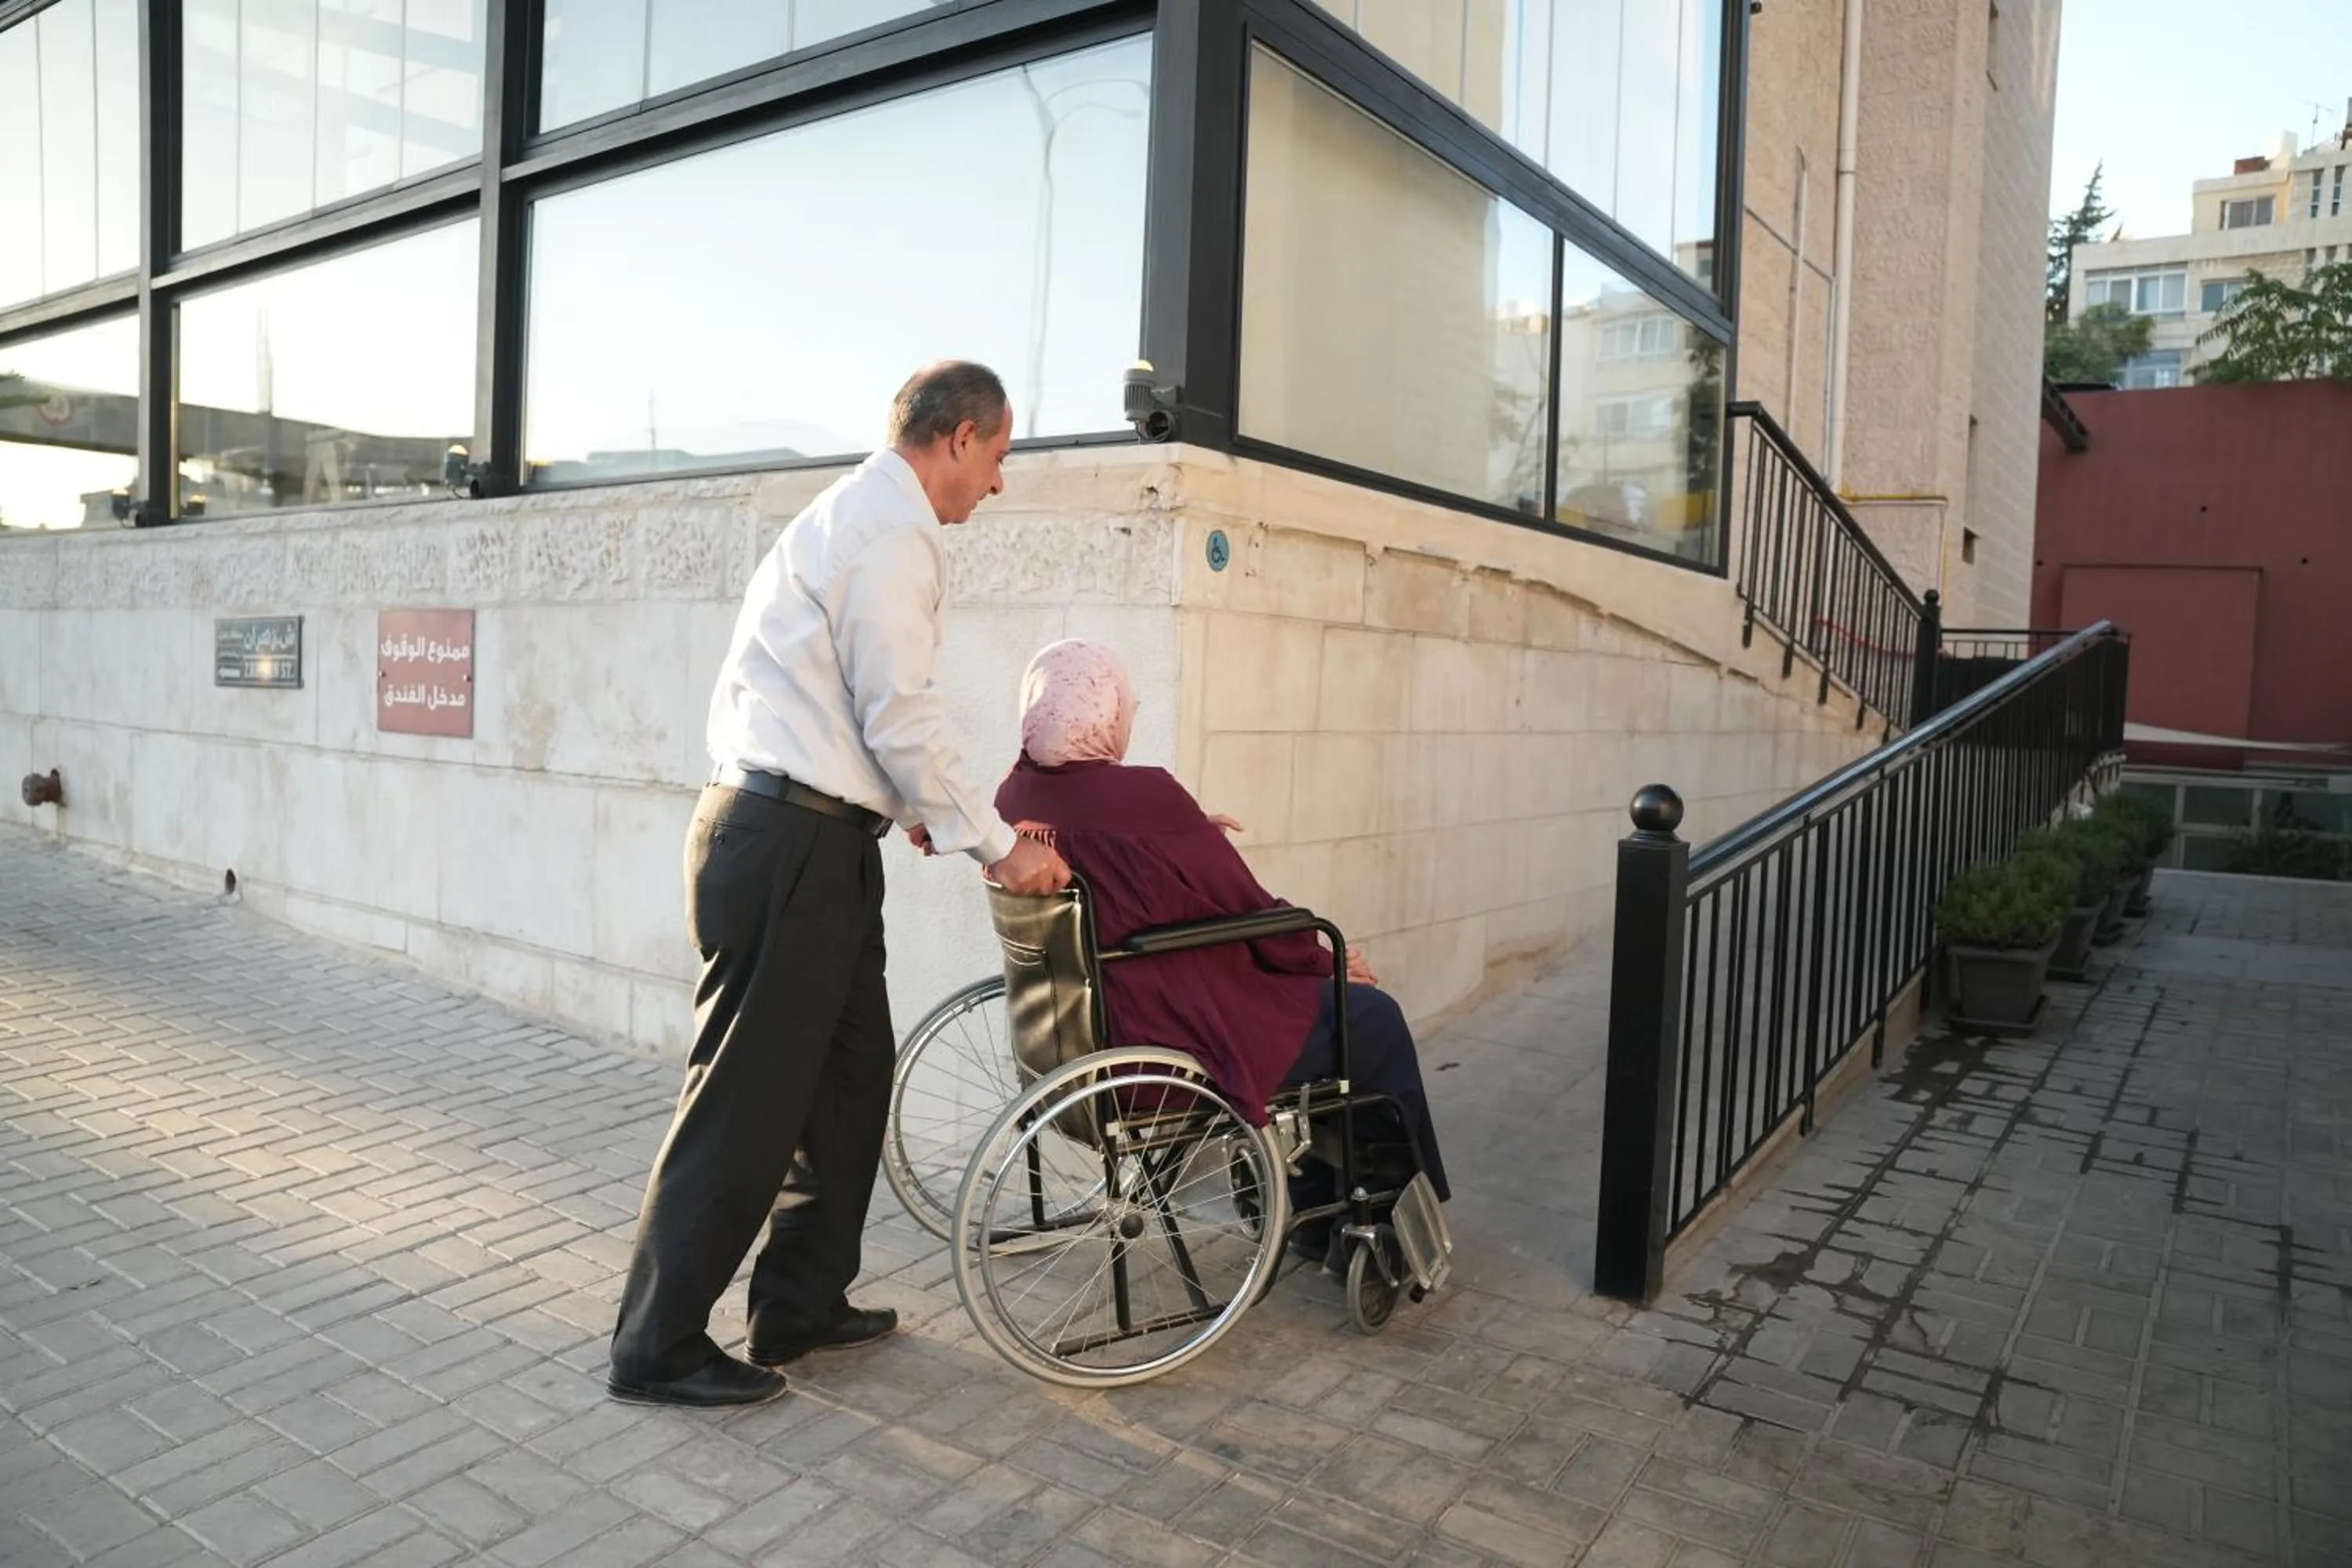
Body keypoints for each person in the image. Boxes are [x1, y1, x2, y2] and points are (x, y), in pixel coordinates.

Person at [608, 362, 1070, 1408]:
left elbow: (856, 714)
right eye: (999, 458)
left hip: (815, 840)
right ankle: (657, 1343)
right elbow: (898, 709)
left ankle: (800, 1304)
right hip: (786, 846)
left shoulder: (869, 522)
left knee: (852, 1083)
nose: (998, 484)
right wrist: (995, 844)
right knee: (746, 1102)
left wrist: (912, 811)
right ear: (958, 438)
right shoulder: (885, 530)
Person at [991, 640, 1449, 1265]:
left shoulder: (1014, 798)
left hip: (1084, 1032)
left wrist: (1186, 830)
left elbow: (1111, 858)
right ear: (1109, 711)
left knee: (1330, 1018)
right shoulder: (1147, 799)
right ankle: (1373, 1219)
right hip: (1174, 1030)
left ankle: (1314, 1204)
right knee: (1369, 1020)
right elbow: (1251, 912)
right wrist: (1326, 958)